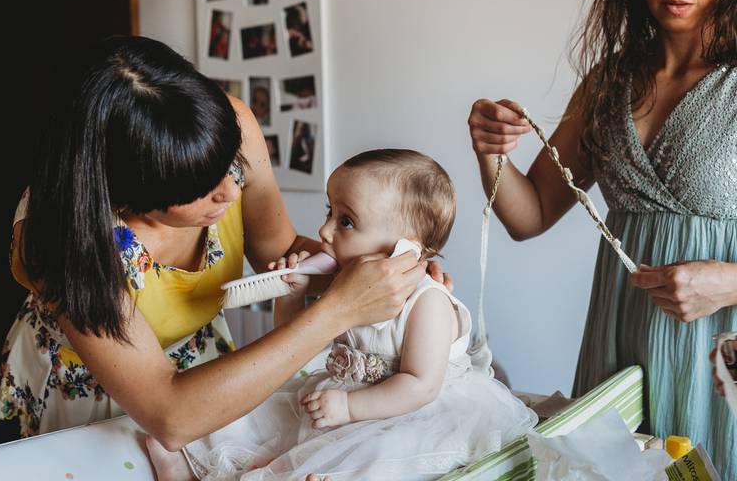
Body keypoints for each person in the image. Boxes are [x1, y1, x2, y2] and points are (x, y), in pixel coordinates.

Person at [0, 37, 441, 464]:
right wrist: (339, 309)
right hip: (107, 390)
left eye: (229, 164)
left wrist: (383, 271)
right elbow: (169, 413)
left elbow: (279, 251)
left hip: (203, 367)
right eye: (198, 187)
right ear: (126, 196)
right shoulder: (57, 238)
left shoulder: (229, 124)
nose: (231, 191)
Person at [467, 0, 736, 476]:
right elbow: (532, 215)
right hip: (622, 346)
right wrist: (490, 153)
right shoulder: (608, 83)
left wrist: (730, 283)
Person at [146, 149, 537, 480]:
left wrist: (350, 408)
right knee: (264, 420)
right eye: (329, 211)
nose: (324, 230)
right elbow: (294, 344)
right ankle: (197, 463)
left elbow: (420, 386)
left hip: (409, 414)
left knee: (371, 459)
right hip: (341, 398)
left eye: (345, 221)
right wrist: (292, 295)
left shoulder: (428, 303)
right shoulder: (349, 282)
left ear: (405, 248)